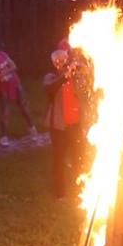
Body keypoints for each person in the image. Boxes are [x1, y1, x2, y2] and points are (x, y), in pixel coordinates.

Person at [43, 48, 87, 200]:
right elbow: (50, 88)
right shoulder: (51, 77)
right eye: (57, 60)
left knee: (78, 157)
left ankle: (82, 189)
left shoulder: (74, 76)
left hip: (75, 124)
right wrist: (65, 76)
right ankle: (60, 193)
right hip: (59, 127)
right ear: (53, 62)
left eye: (63, 59)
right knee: (59, 160)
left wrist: (79, 70)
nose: (60, 63)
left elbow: (85, 84)